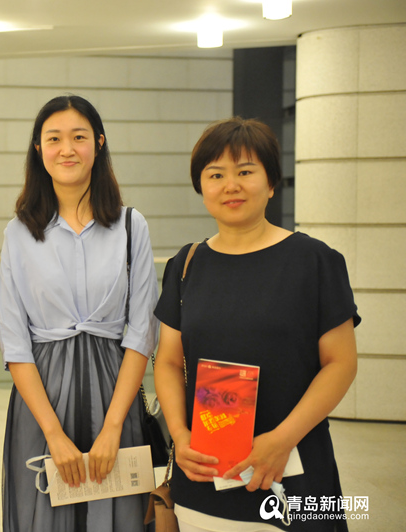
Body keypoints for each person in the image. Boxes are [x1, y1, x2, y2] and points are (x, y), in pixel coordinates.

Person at [154, 117, 359, 532]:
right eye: (216, 175)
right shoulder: (186, 265)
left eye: (245, 172)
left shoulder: (314, 261)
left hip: (295, 471)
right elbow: (169, 361)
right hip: (205, 475)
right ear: (201, 187)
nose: (231, 186)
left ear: (270, 183)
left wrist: (281, 439)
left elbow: (340, 363)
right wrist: (180, 433)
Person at [0, 95, 159, 532]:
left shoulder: (131, 225)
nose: (66, 149)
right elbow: (15, 342)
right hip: (42, 398)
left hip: (115, 391)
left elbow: (141, 331)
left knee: (119, 515)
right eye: (54, 139)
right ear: (38, 148)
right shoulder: (18, 232)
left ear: (99, 143)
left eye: (79, 137)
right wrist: (52, 433)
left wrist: (113, 427)